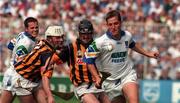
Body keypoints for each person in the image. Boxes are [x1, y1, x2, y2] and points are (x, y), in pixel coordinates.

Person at [83, 10, 159, 103]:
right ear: (107, 25)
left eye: (116, 23)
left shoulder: (127, 35)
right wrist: (97, 77)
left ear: (120, 23)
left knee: (134, 100)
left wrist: (147, 53)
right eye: (110, 24)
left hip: (126, 76)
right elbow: (88, 60)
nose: (113, 27)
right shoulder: (99, 42)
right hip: (109, 83)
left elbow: (132, 44)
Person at [1, 25, 65, 103]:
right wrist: (49, 95)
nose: (61, 40)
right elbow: (45, 77)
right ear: (49, 38)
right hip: (22, 79)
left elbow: (11, 45)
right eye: (58, 38)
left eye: (62, 37)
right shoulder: (47, 54)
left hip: (32, 79)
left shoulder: (43, 42)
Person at [57, 19, 110, 103]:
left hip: (98, 84)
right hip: (82, 87)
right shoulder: (71, 47)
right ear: (79, 33)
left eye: (88, 34)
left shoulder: (97, 45)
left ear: (92, 33)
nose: (86, 36)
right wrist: (66, 71)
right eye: (83, 34)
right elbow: (57, 61)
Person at [1, 17, 47, 103]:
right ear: (26, 29)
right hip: (17, 76)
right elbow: (19, 64)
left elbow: (10, 45)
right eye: (32, 28)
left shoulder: (22, 34)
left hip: (12, 74)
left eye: (36, 27)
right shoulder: (27, 43)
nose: (35, 30)